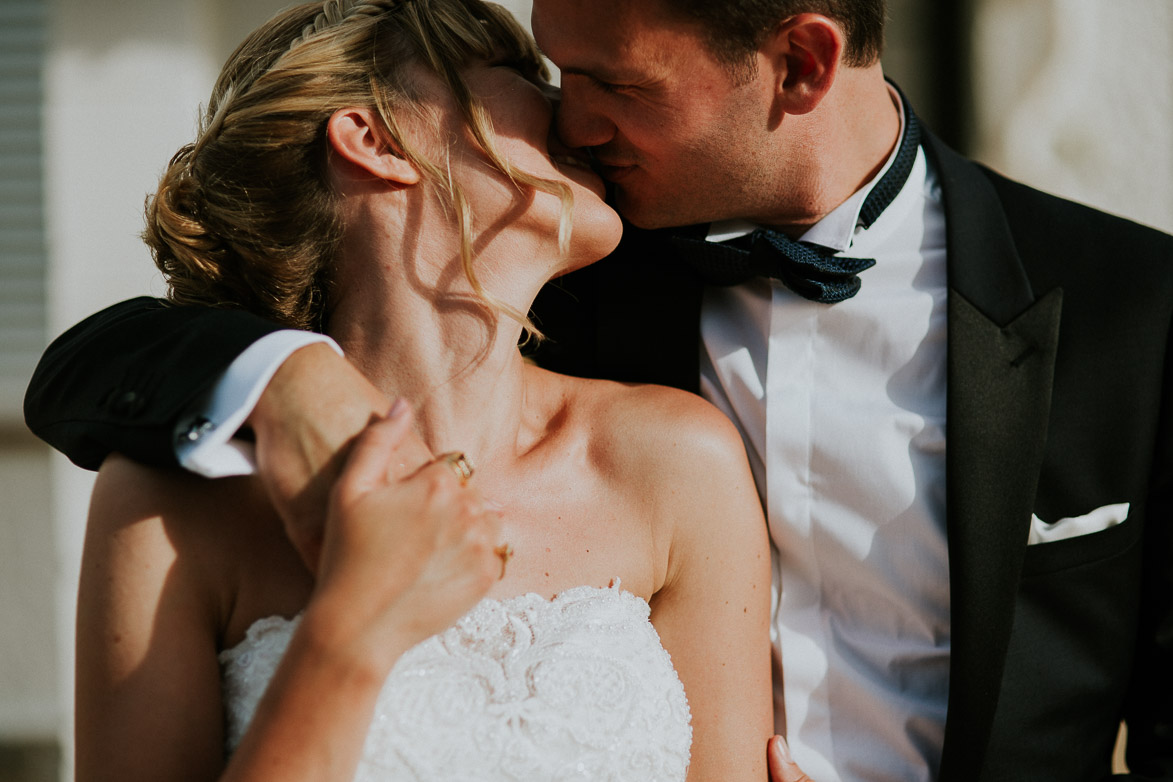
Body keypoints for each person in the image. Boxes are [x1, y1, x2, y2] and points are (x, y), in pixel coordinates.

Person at [23, 1, 1173, 781]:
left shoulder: (1135, 311)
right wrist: (287, 378)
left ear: (803, 63)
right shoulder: (577, 249)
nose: (571, 118)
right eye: (548, 73)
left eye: (609, 80)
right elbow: (93, 364)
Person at [63, 1, 776, 780]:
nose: (572, 116)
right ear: (375, 139)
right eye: (520, 76)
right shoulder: (169, 506)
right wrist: (352, 628)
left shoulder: (675, 462)